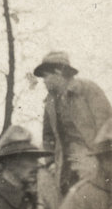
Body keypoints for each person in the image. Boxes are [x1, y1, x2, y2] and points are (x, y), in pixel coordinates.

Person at [35, 51, 112, 196]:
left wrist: (102, 159)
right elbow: (48, 136)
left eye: (46, 75)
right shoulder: (50, 102)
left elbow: (107, 125)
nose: (43, 81)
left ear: (58, 72)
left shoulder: (88, 89)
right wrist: (51, 162)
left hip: (92, 158)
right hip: (64, 165)